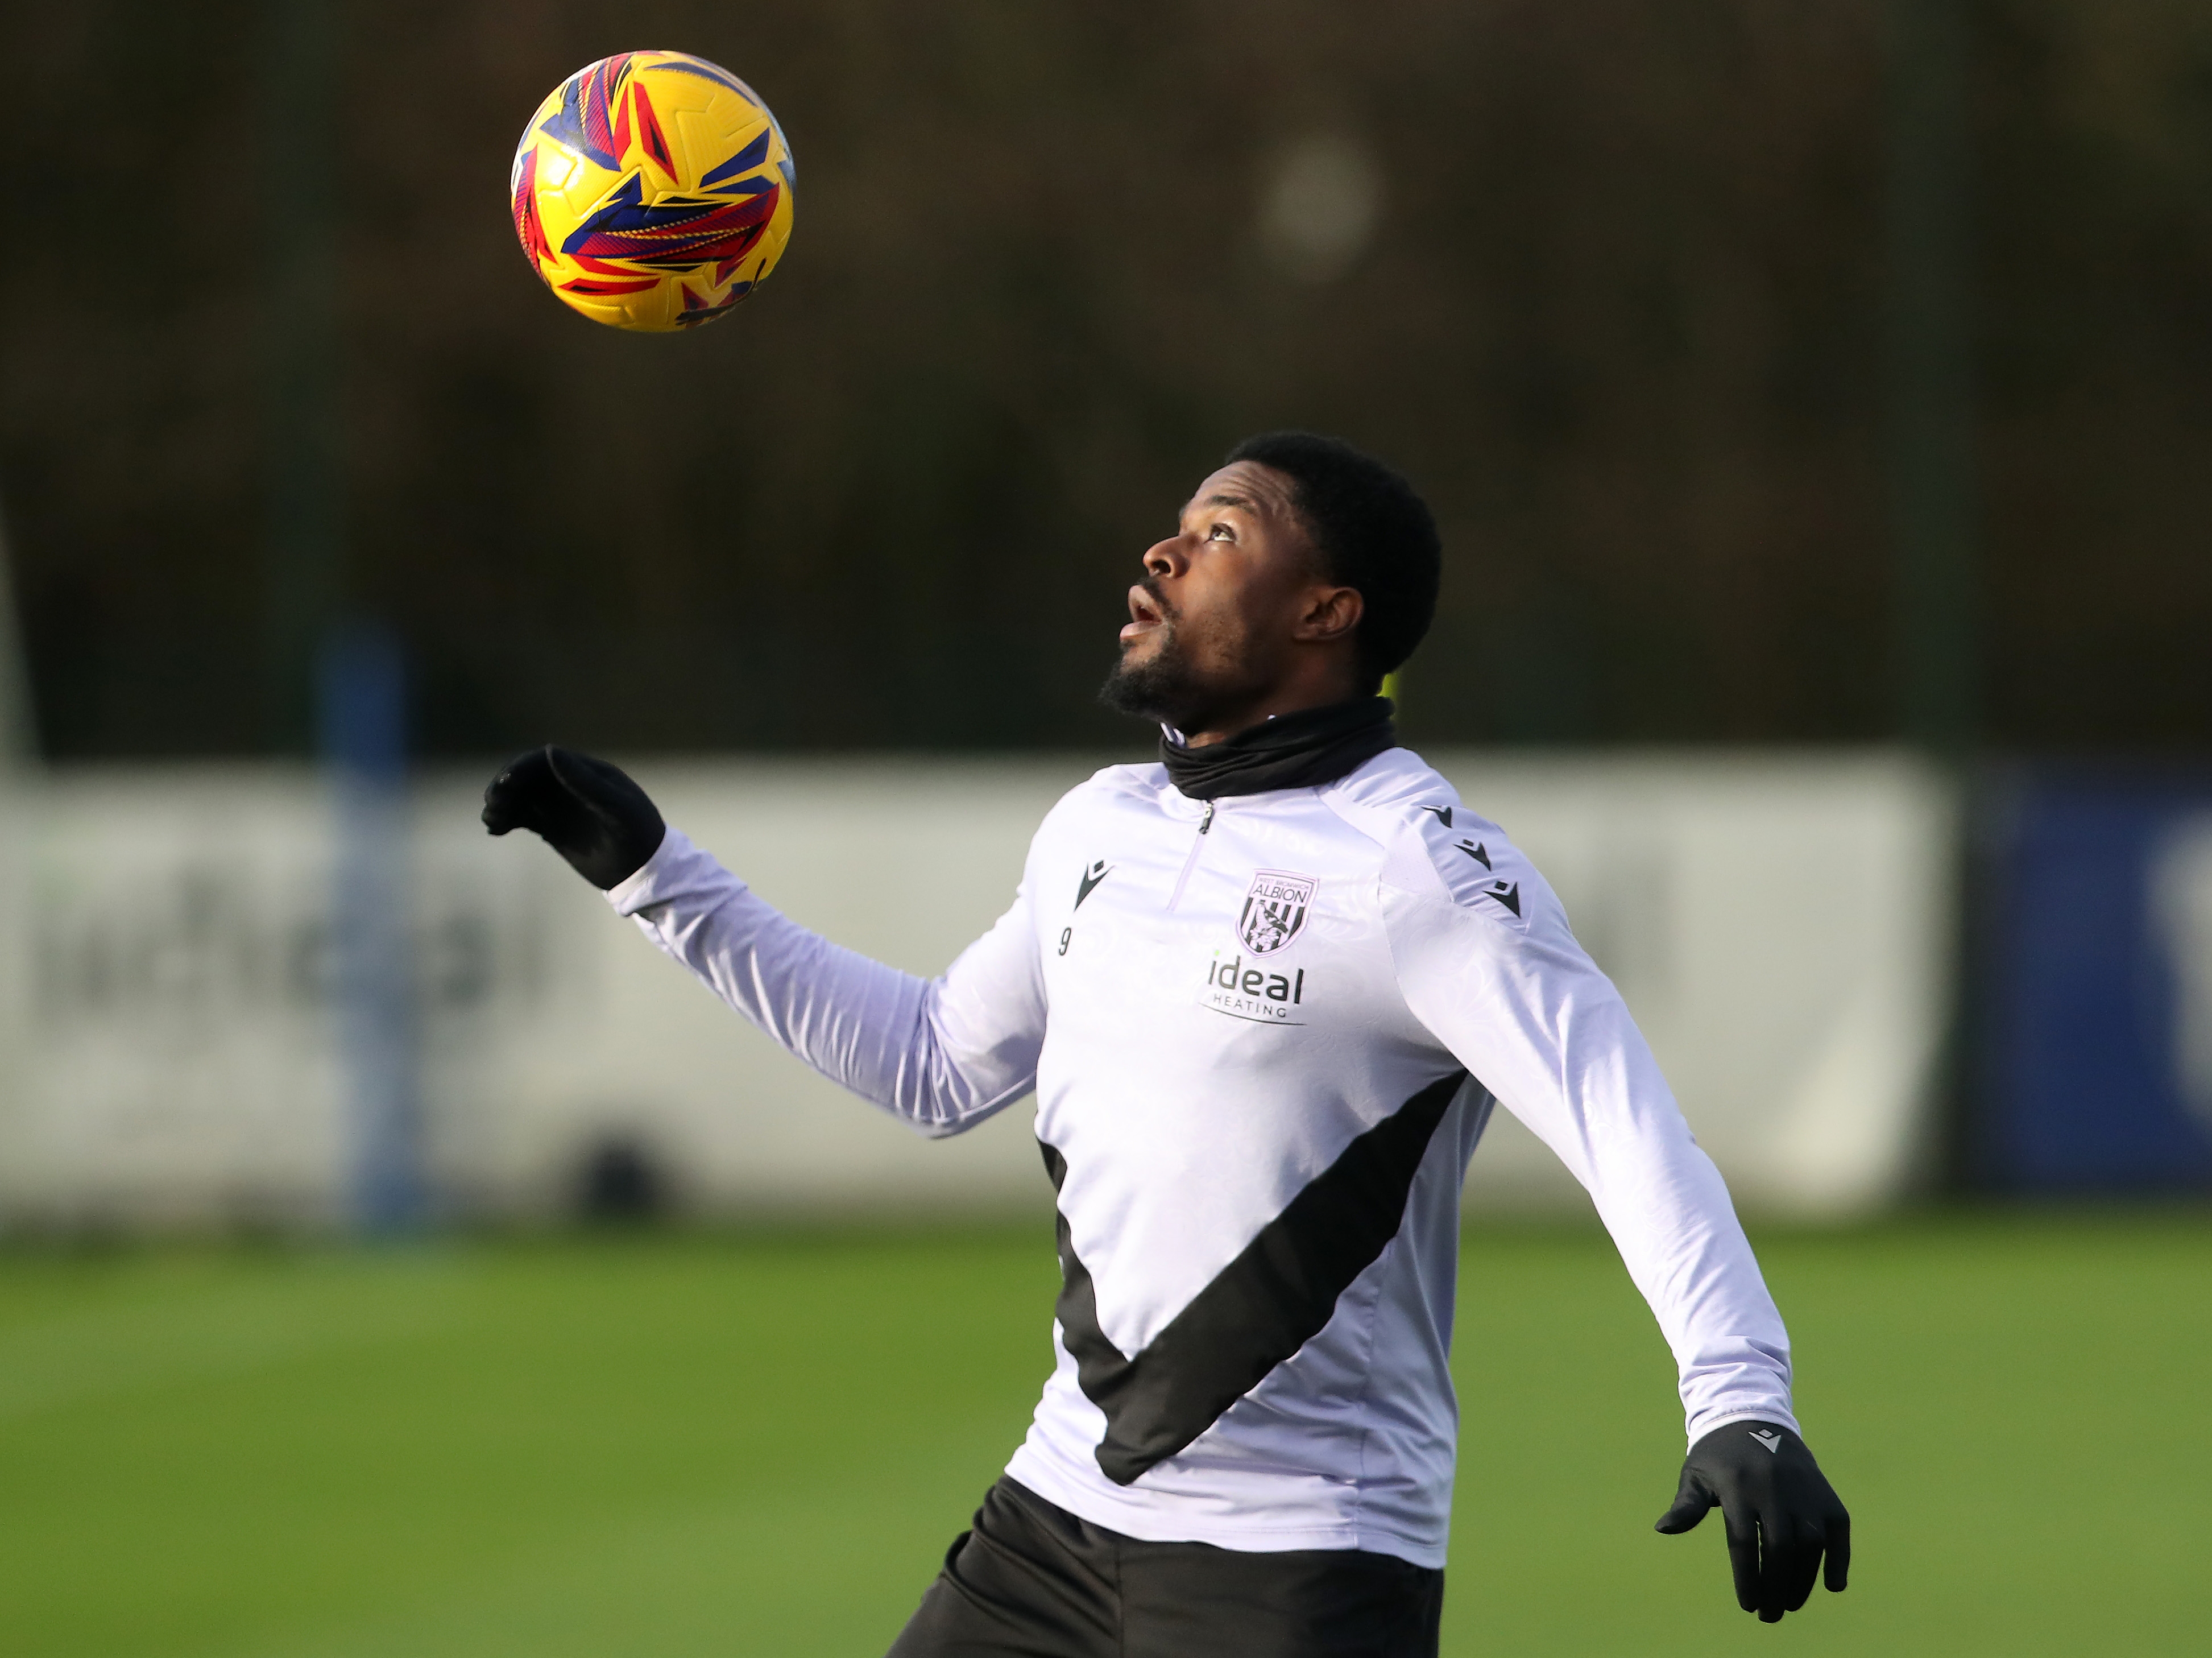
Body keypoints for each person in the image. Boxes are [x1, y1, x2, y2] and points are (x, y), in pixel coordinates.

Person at [483, 431, 1849, 1656]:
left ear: (1326, 612)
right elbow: (929, 1062)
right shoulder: (1101, 825)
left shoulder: (1421, 873)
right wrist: (658, 877)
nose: (1163, 549)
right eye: (1179, 526)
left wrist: (1741, 1399)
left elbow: (1629, 1132)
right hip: (1052, 1530)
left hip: (1300, 1568)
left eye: (1222, 533)